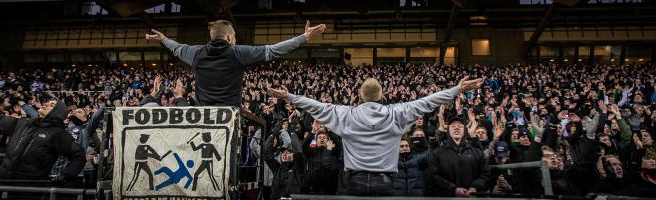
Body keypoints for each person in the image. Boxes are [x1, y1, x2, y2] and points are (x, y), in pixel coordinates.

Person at [267, 77, 483, 196]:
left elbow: (316, 106)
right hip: (386, 182)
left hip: (354, 182)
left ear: (360, 95)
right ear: (382, 96)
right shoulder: (397, 113)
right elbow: (428, 101)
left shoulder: (346, 115)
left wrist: (290, 96)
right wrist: (456, 88)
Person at [145, 20, 326, 106]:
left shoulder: (196, 53)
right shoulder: (237, 53)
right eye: (235, 37)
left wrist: (163, 38)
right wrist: (304, 37)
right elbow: (273, 50)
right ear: (229, 37)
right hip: (228, 119)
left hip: (203, 119)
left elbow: (176, 48)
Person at [0, 99, 85, 181]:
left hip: (28, 190)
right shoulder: (22, 124)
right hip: (2, 184)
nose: (45, 104)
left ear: (58, 112)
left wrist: (66, 176)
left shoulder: (58, 134)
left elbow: (78, 155)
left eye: (52, 105)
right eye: (47, 102)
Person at [426, 116, 491, 197]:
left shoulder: (477, 152)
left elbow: (485, 174)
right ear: (448, 130)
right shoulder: (437, 153)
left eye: (460, 126)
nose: (456, 128)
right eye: (453, 126)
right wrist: (453, 189)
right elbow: (433, 176)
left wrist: (475, 187)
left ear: (465, 130)